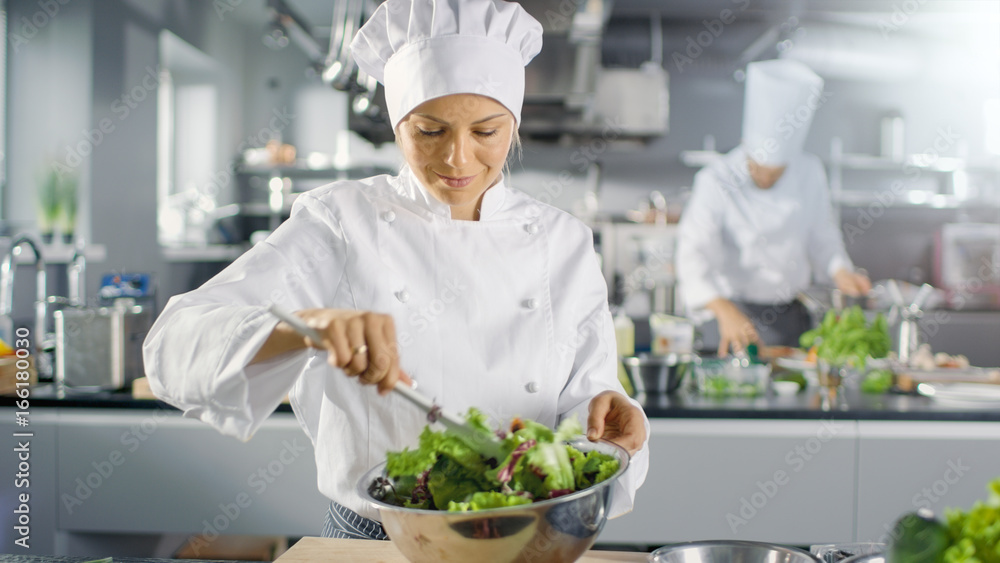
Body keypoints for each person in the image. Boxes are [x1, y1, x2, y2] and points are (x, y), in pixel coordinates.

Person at [143, 0, 649, 541]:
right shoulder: (341, 219)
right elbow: (171, 348)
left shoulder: (562, 239)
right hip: (377, 539)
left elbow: (587, 405)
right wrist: (305, 328)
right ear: (396, 123)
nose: (458, 159)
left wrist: (608, 422)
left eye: (486, 132)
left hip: (524, 534)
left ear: (515, 124)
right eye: (430, 131)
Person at [676, 59, 871, 357]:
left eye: (776, 173)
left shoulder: (809, 172)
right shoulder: (716, 179)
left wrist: (840, 271)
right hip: (730, 315)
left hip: (791, 319)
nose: (766, 178)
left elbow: (823, 237)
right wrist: (722, 308)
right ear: (745, 146)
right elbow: (692, 254)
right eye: (758, 169)